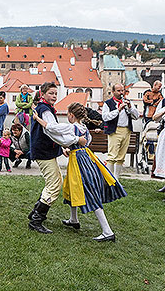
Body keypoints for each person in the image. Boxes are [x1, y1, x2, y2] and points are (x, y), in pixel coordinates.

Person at [33, 102, 126, 241]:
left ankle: (107, 231)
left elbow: (51, 127)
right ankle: (73, 219)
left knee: (89, 191)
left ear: (71, 115)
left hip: (79, 161)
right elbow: (85, 142)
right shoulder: (84, 129)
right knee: (72, 187)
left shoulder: (71, 127)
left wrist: (37, 118)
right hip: (86, 157)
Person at [28, 82, 84, 234]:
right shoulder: (45, 110)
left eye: (55, 93)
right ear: (43, 93)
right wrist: (74, 140)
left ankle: (35, 213)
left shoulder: (44, 108)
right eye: (51, 93)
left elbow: (52, 134)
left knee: (56, 181)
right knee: (53, 185)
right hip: (43, 152)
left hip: (46, 151)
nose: (54, 96)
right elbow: (51, 132)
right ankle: (36, 220)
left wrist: (62, 148)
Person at [101, 83, 140, 177]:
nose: (121, 93)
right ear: (113, 92)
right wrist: (118, 110)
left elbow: (136, 116)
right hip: (115, 131)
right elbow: (105, 117)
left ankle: (117, 179)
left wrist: (130, 107)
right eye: (118, 91)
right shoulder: (108, 103)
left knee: (121, 157)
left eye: (122, 90)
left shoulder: (128, 102)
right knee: (112, 156)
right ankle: (110, 179)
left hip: (126, 130)